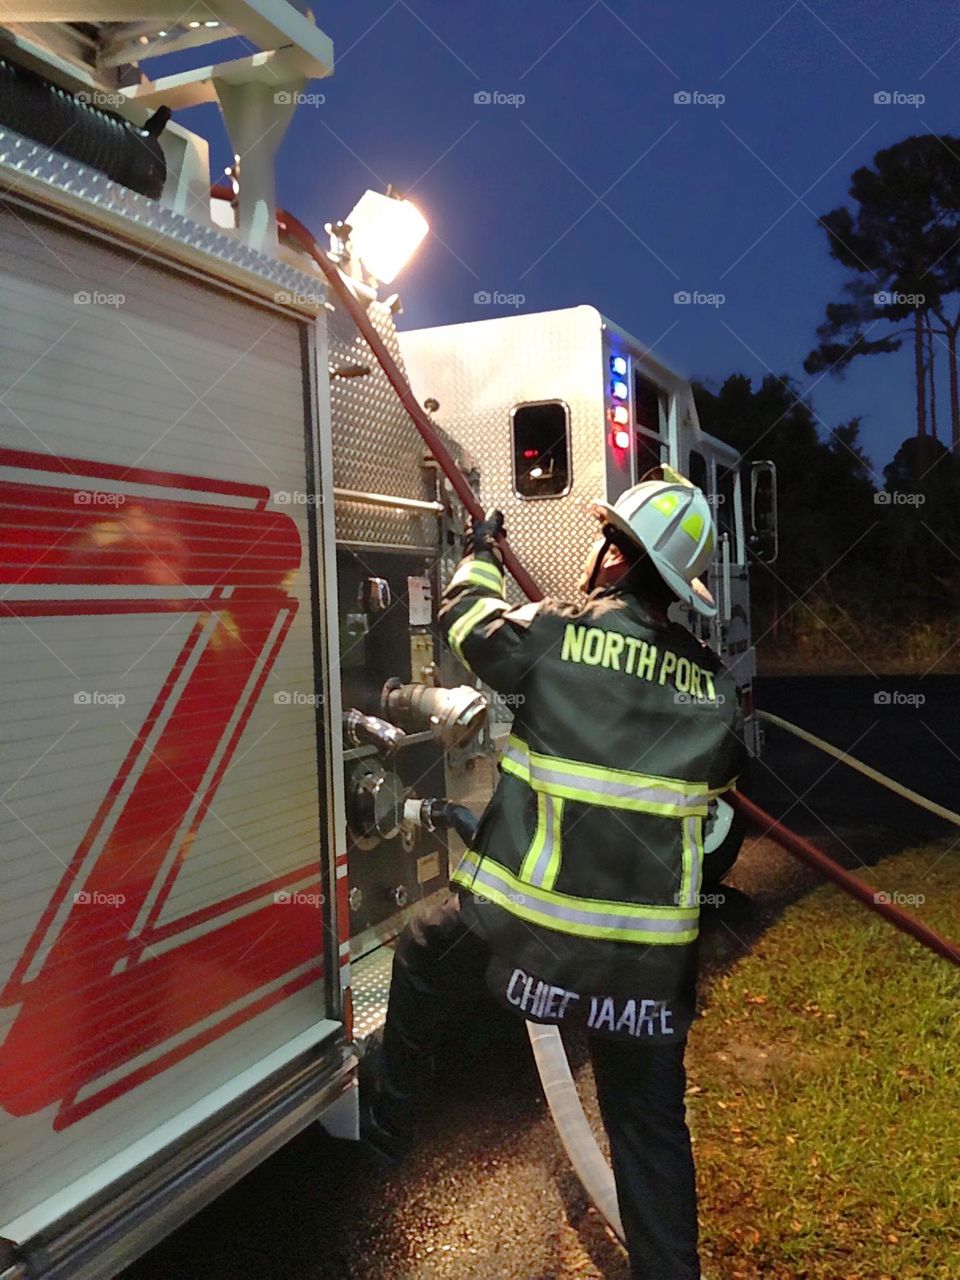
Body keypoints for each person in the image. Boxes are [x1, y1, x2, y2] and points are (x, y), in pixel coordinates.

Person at [359, 467, 745, 1280]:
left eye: (606, 539)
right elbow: (716, 810)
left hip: (528, 932)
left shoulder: (560, 633)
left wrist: (482, 552)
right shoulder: (714, 688)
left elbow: (467, 624)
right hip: (645, 964)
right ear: (682, 587)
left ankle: (386, 1126)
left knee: (425, 951)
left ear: (615, 558)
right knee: (648, 1128)